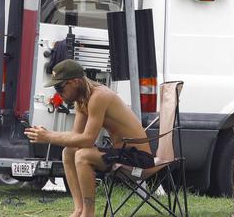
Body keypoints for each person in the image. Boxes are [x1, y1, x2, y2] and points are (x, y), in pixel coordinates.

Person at [24, 59, 154, 217]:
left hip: (140, 159)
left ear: (75, 82)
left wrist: (49, 137)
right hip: (122, 152)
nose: (58, 93)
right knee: (69, 152)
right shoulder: (82, 99)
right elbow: (76, 136)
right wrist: (47, 134)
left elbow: (87, 140)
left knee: (82, 156)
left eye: (59, 87)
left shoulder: (99, 96)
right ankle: (79, 209)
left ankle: (88, 214)